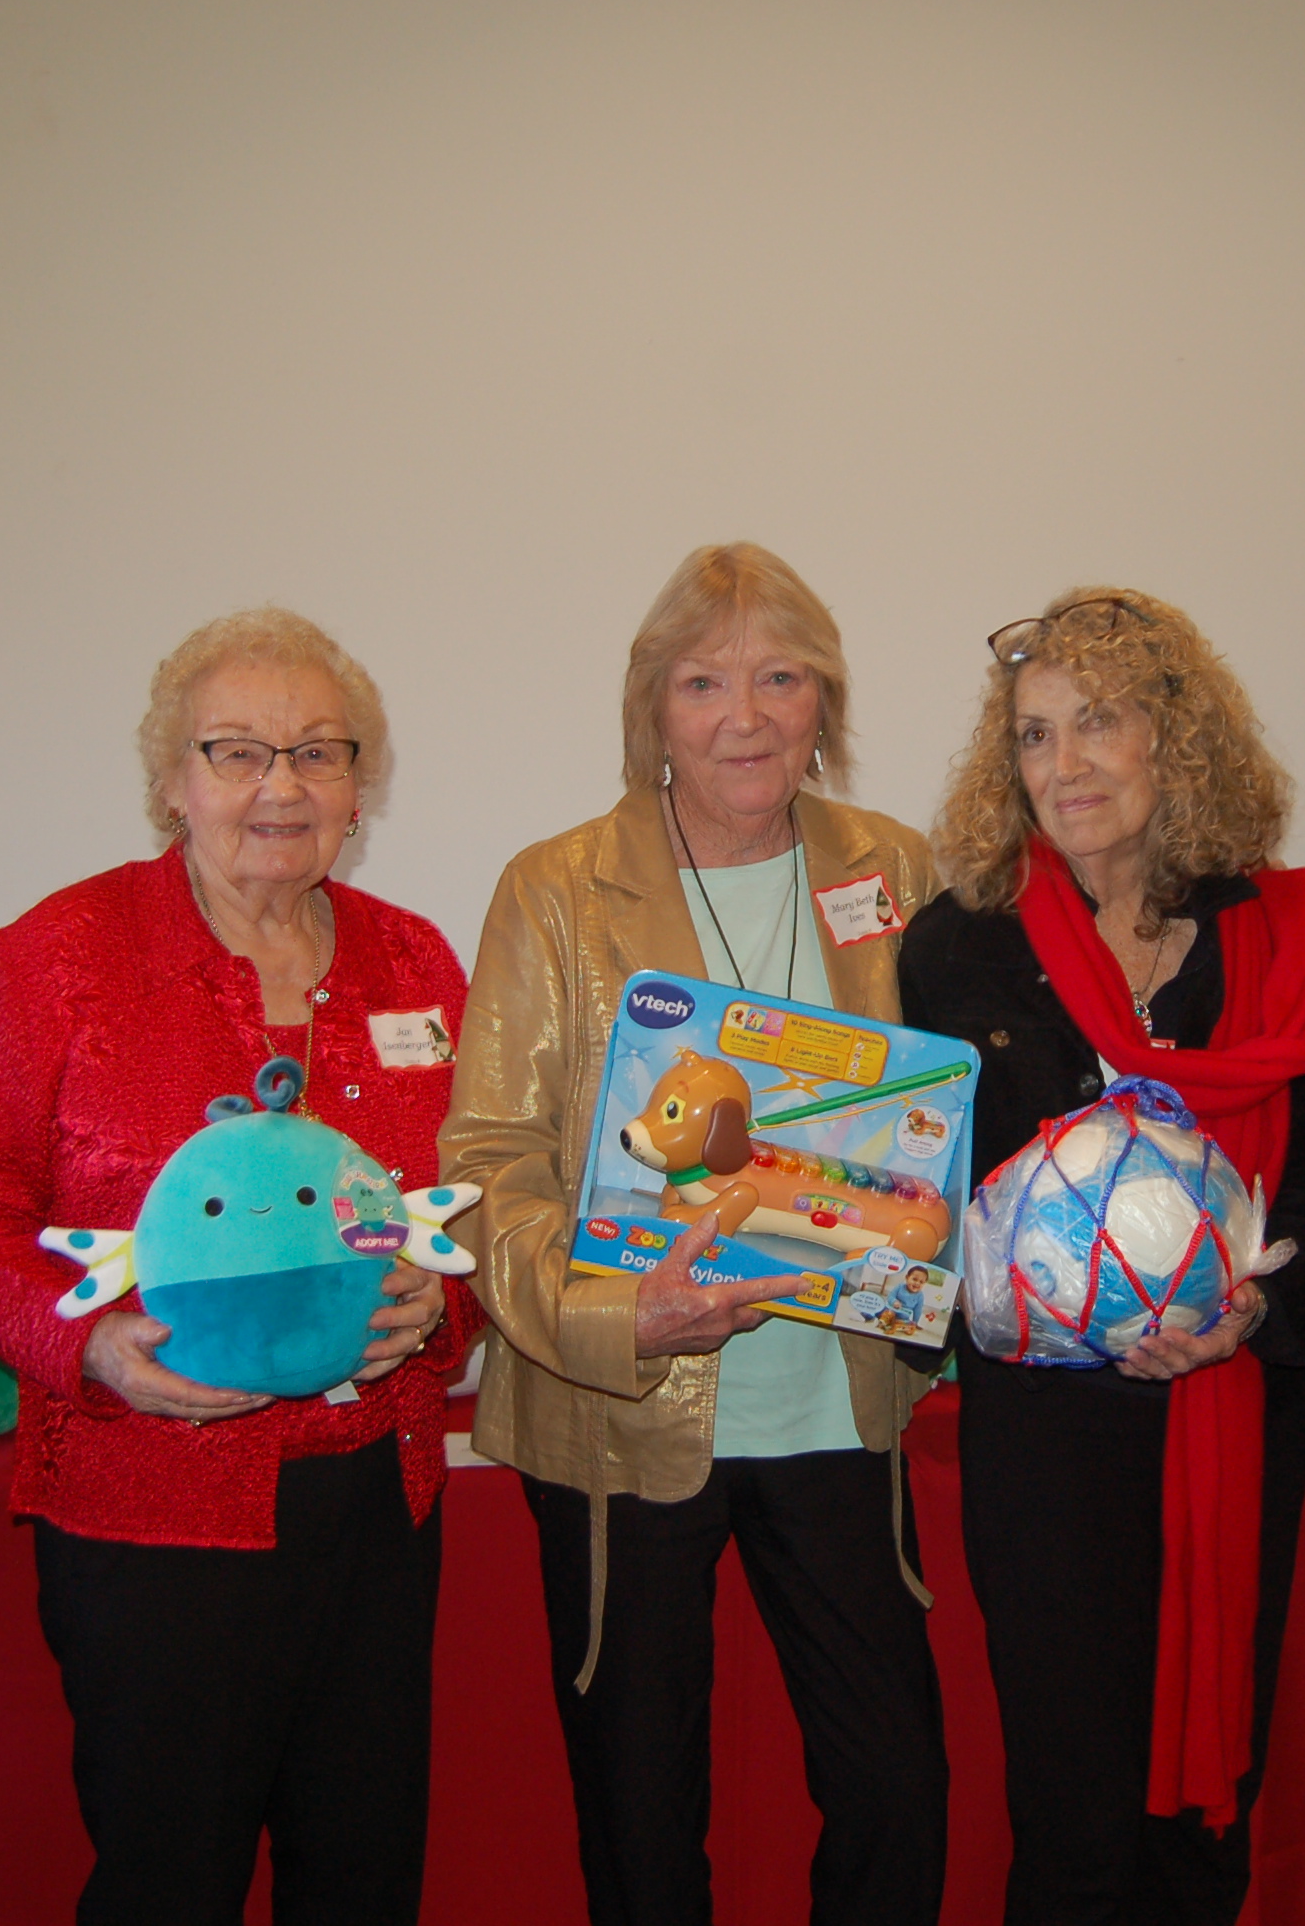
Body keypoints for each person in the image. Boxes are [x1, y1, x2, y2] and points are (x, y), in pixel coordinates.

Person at [0, 607, 474, 1926]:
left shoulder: (416, 961)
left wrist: (445, 1303)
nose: (280, 786)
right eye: (236, 751)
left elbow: (475, 1198)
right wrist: (89, 1347)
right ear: (173, 777)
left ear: (357, 786)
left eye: (319, 753)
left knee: (366, 1874)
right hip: (150, 1510)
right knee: (171, 1878)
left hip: (377, 1511)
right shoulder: (63, 959)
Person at [441, 542, 949, 1926]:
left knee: (898, 1796)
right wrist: (620, 1316)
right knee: (643, 1820)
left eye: (783, 677)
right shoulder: (555, 887)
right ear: (650, 707)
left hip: (841, 1411)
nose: (746, 716)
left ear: (824, 701)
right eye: (705, 681)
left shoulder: (899, 869)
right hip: (625, 1419)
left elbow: (959, 1123)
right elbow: (486, 1167)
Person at [896, 588, 1305, 1925]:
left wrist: (1249, 1312)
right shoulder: (956, 948)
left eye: (1097, 724)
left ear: (1176, 739)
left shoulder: (1280, 934)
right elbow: (921, 1201)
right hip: (1045, 1440)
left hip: (1230, 1408)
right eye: (1034, 736)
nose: (1063, 767)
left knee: (1205, 1805)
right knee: (1070, 1810)